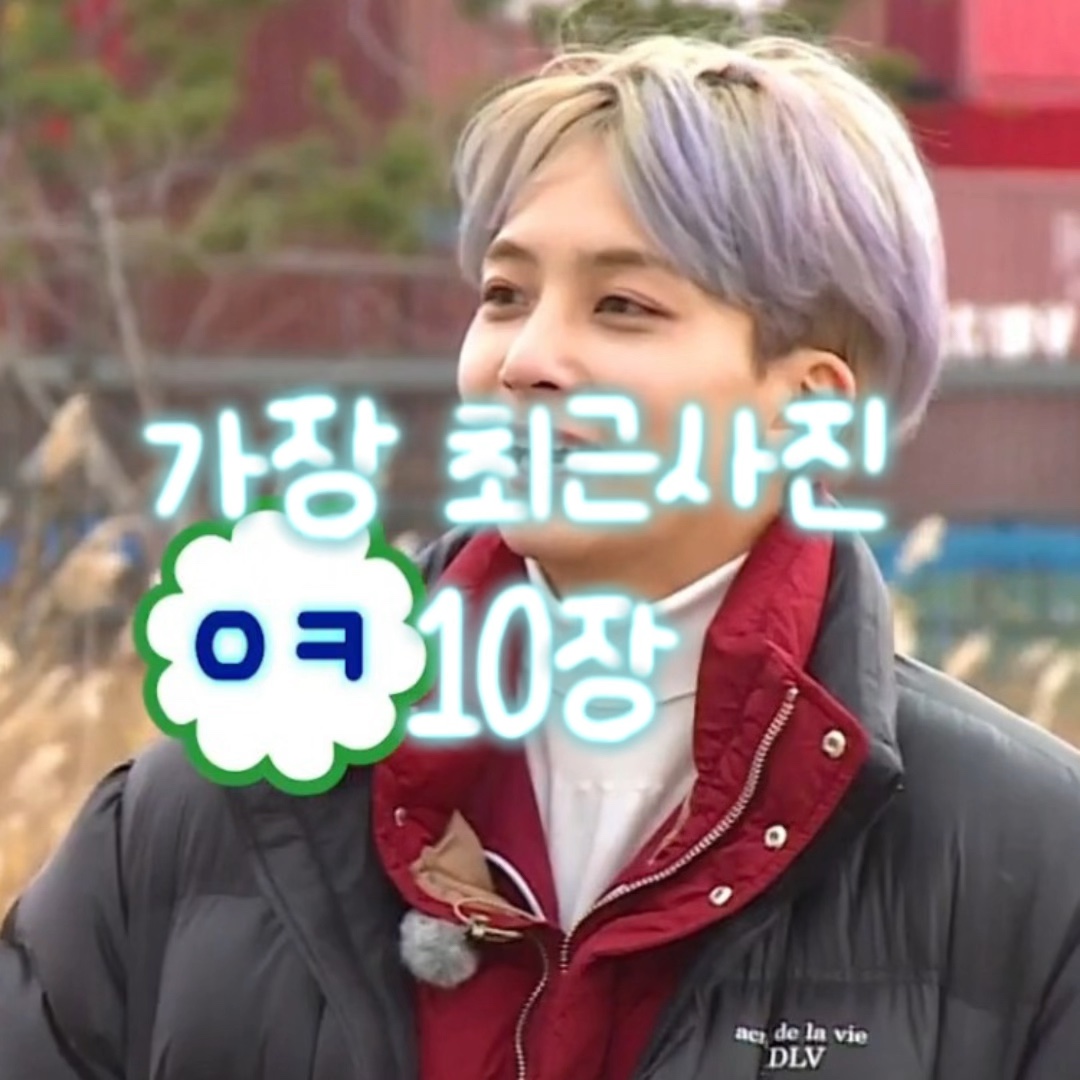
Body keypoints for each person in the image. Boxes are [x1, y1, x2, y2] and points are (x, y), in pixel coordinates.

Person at [2, 32, 1079, 1080]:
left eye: (623, 305)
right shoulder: (215, 803)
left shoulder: (1034, 867)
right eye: (505, 294)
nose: (523, 360)